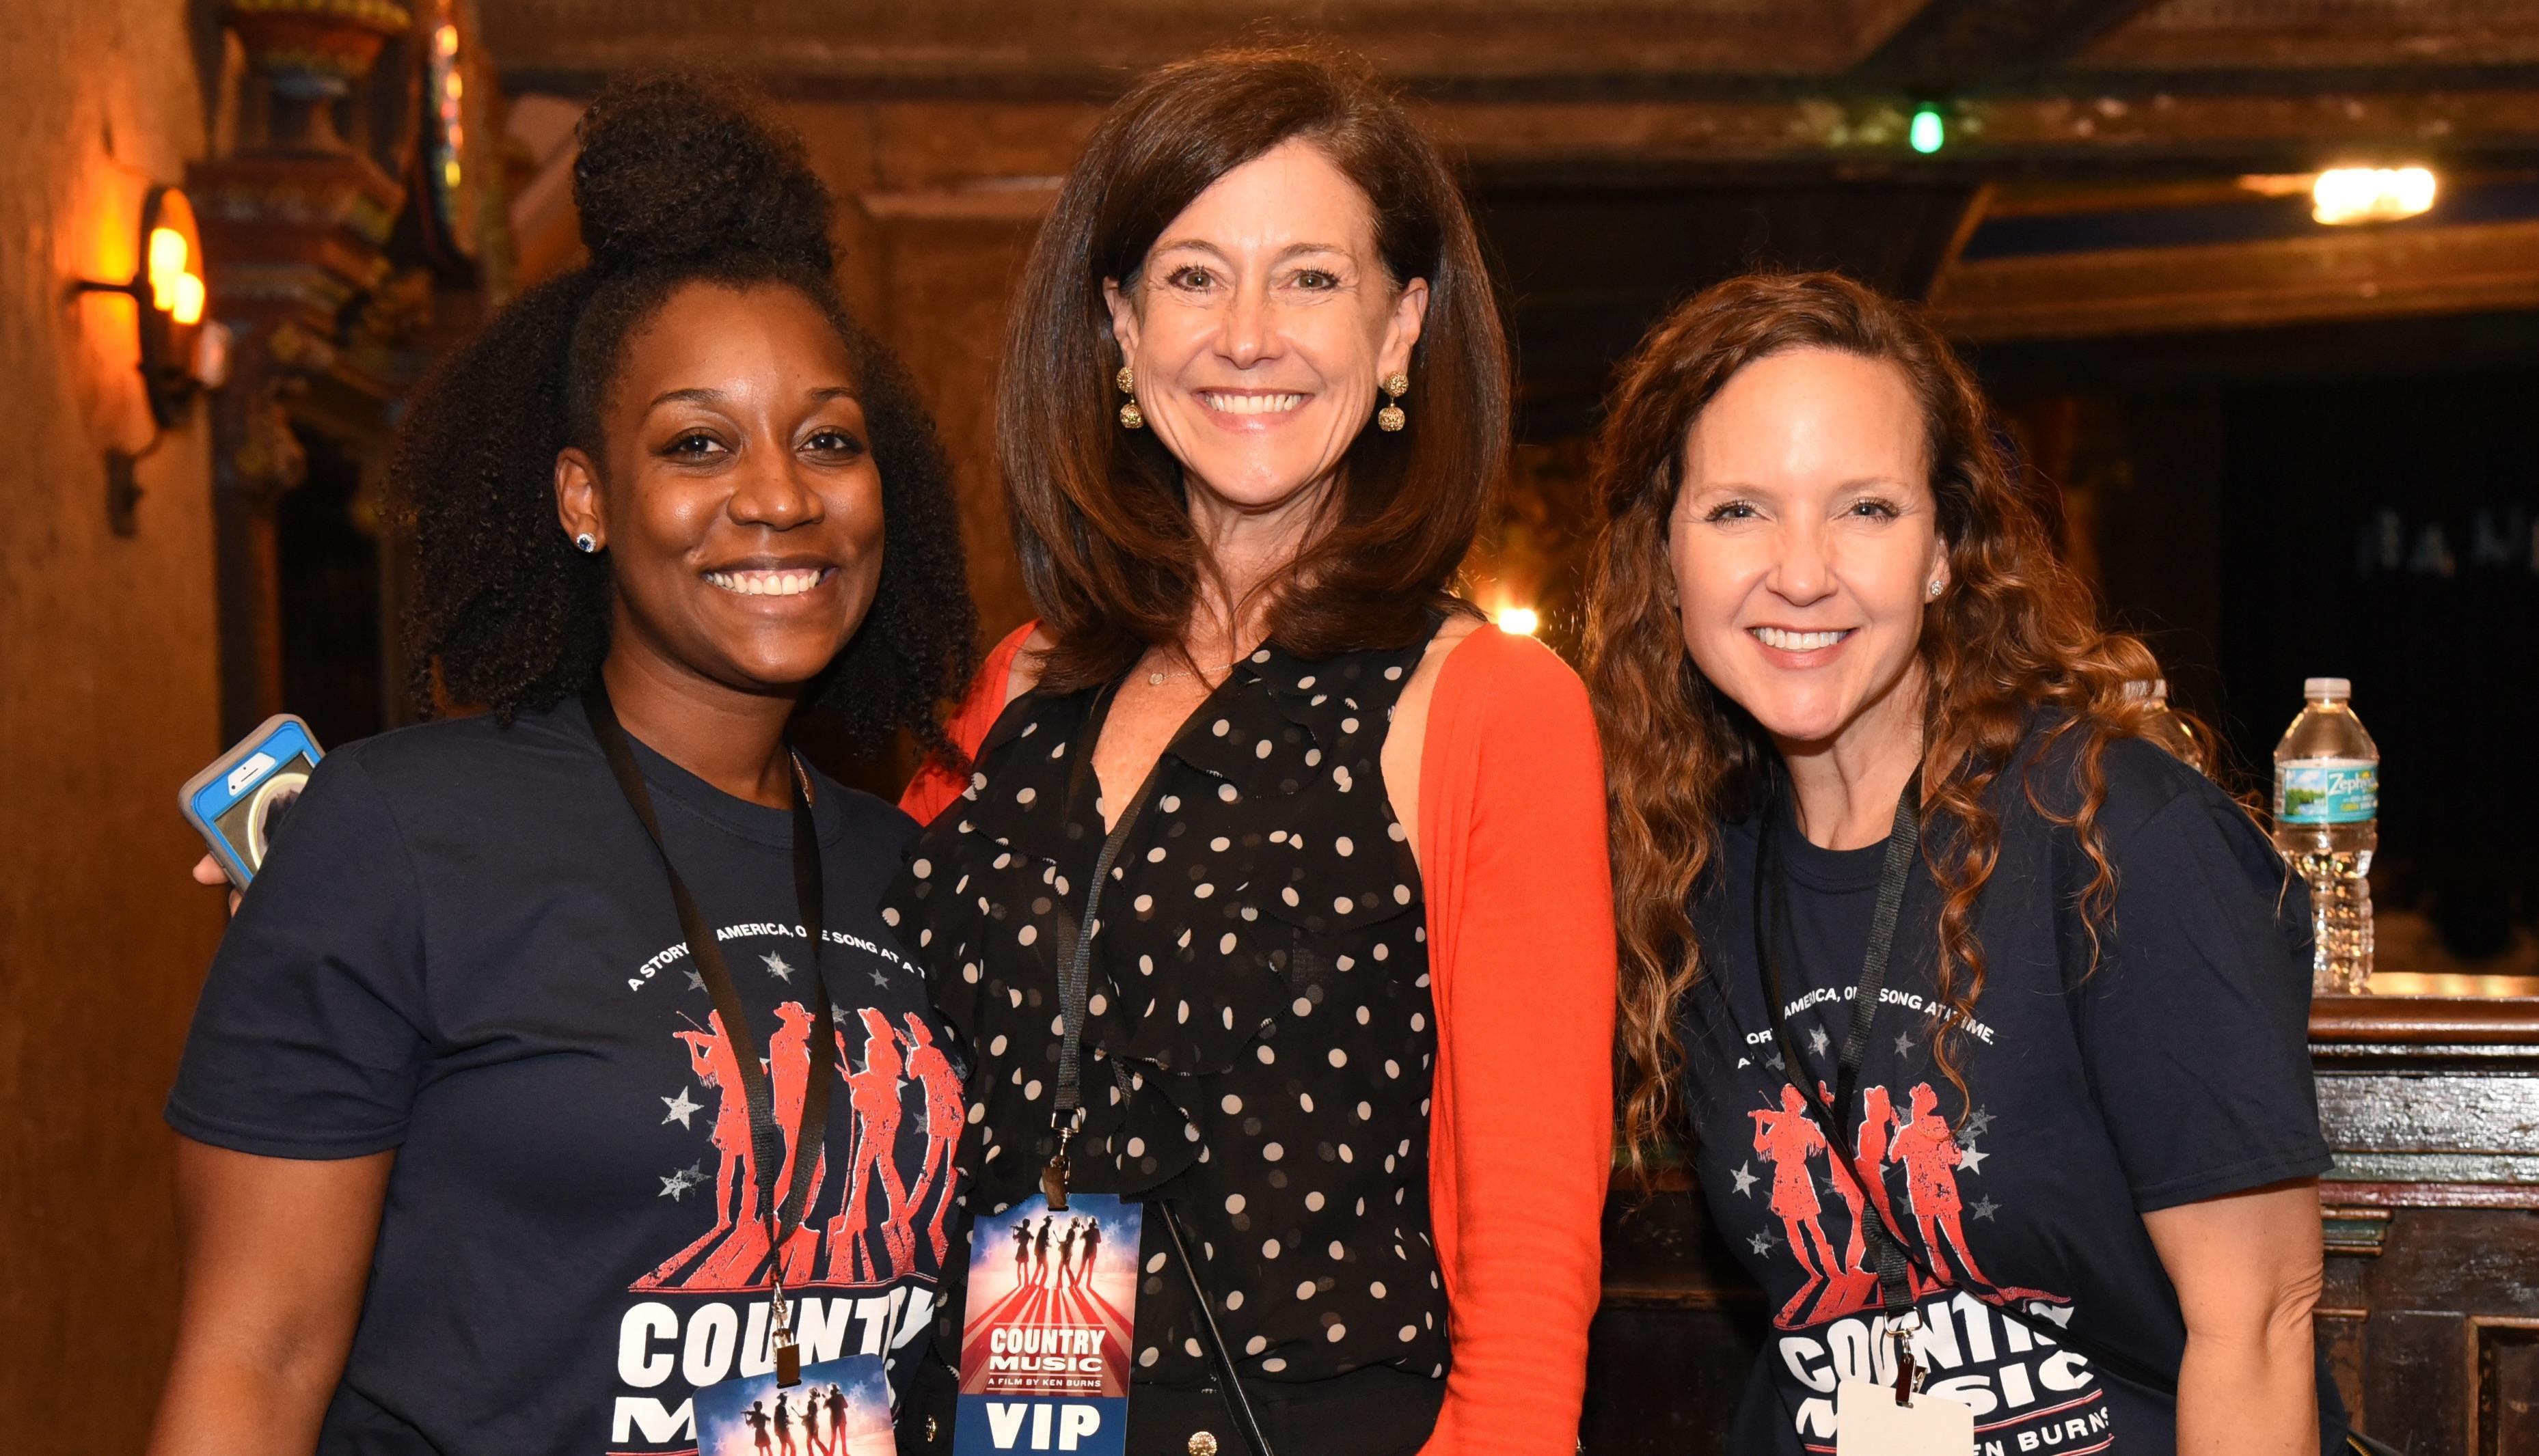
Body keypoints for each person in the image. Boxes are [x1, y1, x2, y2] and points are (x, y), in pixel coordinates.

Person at [148, 76, 976, 1456]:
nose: (779, 494)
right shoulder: (399, 835)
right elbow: (256, 1361)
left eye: (827, 439)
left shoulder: (914, 870)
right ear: (585, 495)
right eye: (696, 443)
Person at [886, 44, 1614, 1456]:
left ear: (1403, 328)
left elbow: (1529, 1272)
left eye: (1312, 278)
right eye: (1195, 274)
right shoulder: (1009, 688)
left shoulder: (1487, 707)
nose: (1248, 334)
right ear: (1117, 322)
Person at [1584, 271, 2345, 1454]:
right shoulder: (1684, 862)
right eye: (1738, 511)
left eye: (1866, 511)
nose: (1800, 570)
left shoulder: (2120, 838)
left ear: (1944, 549)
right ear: (1665, 553)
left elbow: (2256, 1323)